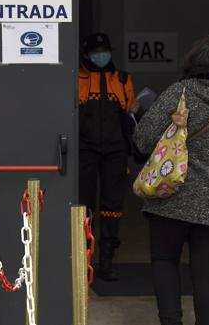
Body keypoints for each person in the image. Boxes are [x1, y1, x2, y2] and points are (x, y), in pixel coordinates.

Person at [133, 35, 209, 325]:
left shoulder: (180, 92)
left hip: (170, 197)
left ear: (193, 63)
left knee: (165, 261)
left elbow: (143, 139)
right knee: (208, 269)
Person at [78, 33, 135, 281]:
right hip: (85, 150)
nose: (101, 55)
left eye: (105, 50)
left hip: (115, 151)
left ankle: (107, 261)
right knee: (84, 205)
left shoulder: (122, 79)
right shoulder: (75, 78)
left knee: (112, 206)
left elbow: (129, 115)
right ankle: (83, 261)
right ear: (86, 54)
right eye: (96, 51)